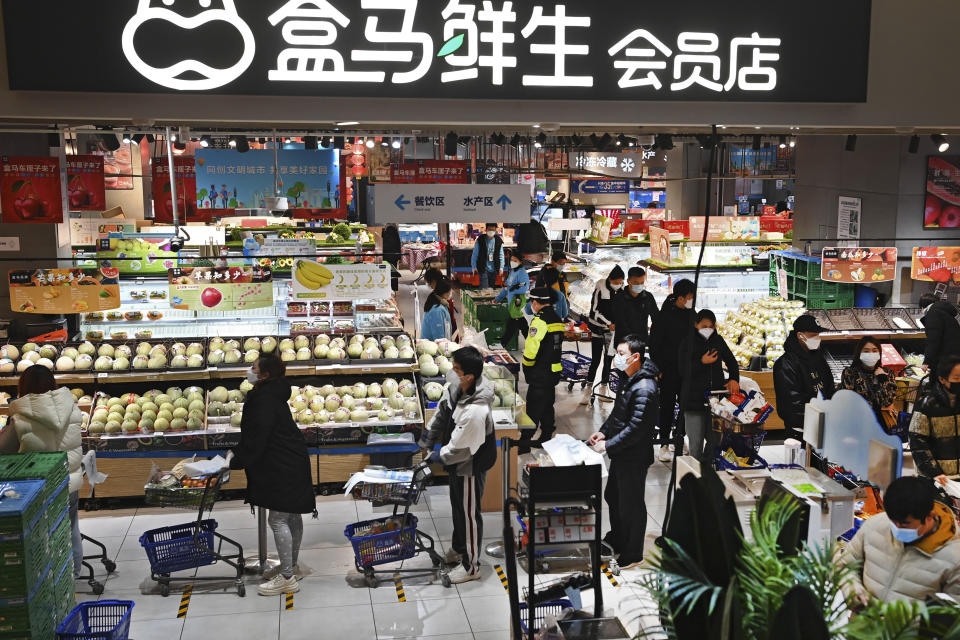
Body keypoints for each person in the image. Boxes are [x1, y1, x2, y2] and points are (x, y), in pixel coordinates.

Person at [229, 355, 316, 596]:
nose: (250, 370)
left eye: (254, 368)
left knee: (278, 519)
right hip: (292, 460)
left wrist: (236, 460)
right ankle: (292, 567)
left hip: (281, 464)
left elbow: (258, 437)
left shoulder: (263, 398)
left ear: (265, 375)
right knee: (291, 515)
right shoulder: (275, 393)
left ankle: (287, 577)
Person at [419, 346, 496, 584]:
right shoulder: (459, 386)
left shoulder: (476, 409)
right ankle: (458, 548)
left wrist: (438, 457)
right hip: (458, 460)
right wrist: (427, 439)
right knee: (458, 508)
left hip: (469, 464)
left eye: (456, 369)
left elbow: (461, 449)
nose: (452, 372)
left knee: (470, 514)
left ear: (469, 376)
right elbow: (443, 410)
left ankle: (472, 566)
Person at [0, 366, 83, 578]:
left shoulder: (19, 416)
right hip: (69, 479)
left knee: (41, 533)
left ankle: (49, 578)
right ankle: (73, 573)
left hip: (38, 484)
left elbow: (4, 449)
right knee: (71, 525)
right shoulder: (71, 406)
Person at [588, 334, 660, 568]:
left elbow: (636, 428)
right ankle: (618, 539)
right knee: (614, 497)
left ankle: (633, 553)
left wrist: (608, 445)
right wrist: (603, 432)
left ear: (635, 357)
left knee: (632, 504)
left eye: (621, 354)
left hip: (634, 456)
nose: (617, 359)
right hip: (622, 453)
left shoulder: (645, 388)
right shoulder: (629, 378)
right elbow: (619, 414)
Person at [838, 476, 960, 604]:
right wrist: (852, 589)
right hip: (863, 621)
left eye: (904, 523)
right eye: (892, 521)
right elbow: (845, 565)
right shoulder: (875, 525)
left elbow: (952, 615)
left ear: (929, 517)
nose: (896, 528)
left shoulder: (954, 558)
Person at [679, 309, 740, 464]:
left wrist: (734, 379)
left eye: (711, 326)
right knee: (696, 443)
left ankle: (707, 470)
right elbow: (682, 370)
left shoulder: (718, 341)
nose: (708, 329)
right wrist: (701, 362)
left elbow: (732, 362)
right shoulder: (687, 342)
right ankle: (695, 477)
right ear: (695, 325)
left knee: (715, 440)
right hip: (693, 401)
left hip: (715, 401)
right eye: (703, 325)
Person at [649, 279, 697, 463]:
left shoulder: (692, 315)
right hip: (668, 370)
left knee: (685, 406)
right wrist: (658, 368)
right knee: (667, 406)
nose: (693, 300)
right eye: (691, 297)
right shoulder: (664, 316)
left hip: (687, 370)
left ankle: (679, 438)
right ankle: (664, 444)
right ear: (681, 298)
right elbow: (655, 344)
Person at [773, 314, 836, 442]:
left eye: (818, 334)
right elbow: (791, 403)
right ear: (800, 335)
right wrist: (819, 416)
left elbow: (829, 387)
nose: (817, 338)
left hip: (823, 426)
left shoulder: (819, 359)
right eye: (813, 335)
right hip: (799, 432)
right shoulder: (785, 364)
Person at [519, 287, 565, 453]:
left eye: (532, 302)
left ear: (536, 302)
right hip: (554, 370)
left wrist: (527, 368)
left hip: (540, 372)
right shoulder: (557, 319)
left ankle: (524, 443)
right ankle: (546, 436)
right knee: (547, 404)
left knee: (533, 407)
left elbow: (531, 350)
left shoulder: (540, 321)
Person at [909, 355, 960, 484]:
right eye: (957, 378)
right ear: (942, 379)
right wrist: (933, 472)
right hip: (938, 479)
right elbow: (917, 441)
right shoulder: (927, 405)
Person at [581, 265, 625, 404]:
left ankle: (603, 390)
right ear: (610, 279)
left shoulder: (622, 291)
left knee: (608, 360)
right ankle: (587, 392)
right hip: (598, 328)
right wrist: (608, 323)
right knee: (595, 360)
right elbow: (594, 310)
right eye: (616, 282)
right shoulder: (600, 287)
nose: (618, 285)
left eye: (620, 282)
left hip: (612, 332)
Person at [839, 336, 898, 425]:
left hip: (881, 424)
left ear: (879, 353)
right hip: (857, 423)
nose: (871, 354)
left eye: (874, 351)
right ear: (859, 353)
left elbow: (886, 403)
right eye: (866, 351)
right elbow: (850, 402)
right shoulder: (850, 373)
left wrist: (882, 380)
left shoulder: (887, 374)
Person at [611, 266, 659, 350]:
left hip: (641, 342)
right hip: (624, 344)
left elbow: (656, 317)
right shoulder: (619, 298)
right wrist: (634, 341)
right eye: (636, 283)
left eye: (642, 282)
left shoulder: (648, 297)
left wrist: (654, 337)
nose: (639, 285)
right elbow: (620, 323)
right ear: (628, 281)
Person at [496, 253, 530, 350]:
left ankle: (503, 344)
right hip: (512, 302)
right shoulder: (512, 272)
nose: (512, 262)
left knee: (513, 323)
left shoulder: (522, 273)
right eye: (512, 260)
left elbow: (524, 288)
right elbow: (506, 287)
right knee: (522, 325)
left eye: (515, 261)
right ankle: (532, 345)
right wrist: (498, 298)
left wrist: (511, 288)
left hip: (518, 302)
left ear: (521, 262)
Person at [920, 294, 960, 374]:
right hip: (954, 355)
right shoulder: (944, 312)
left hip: (945, 357)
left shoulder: (933, 313)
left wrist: (926, 361)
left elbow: (933, 340)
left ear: (922, 307)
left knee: (940, 381)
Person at [425, 268, 458, 338]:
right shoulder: (438, 309)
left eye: (430, 283)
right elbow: (439, 334)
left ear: (434, 281)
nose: (430, 286)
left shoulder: (443, 299)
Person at [471, 222, 505, 289]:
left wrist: (501, 267)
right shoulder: (480, 240)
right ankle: (484, 299)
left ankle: (489, 299)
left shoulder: (498, 241)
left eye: (493, 230)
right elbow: (475, 254)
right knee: (485, 288)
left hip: (494, 268)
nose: (491, 231)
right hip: (483, 268)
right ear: (486, 230)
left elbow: (501, 255)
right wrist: (474, 266)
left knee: (491, 289)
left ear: (495, 231)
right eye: (489, 229)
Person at [381, 224, 401, 292]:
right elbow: (398, 244)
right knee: (393, 272)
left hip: (387, 255)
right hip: (393, 255)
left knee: (389, 272)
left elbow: (384, 244)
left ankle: (390, 288)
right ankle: (394, 288)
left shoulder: (388, 231)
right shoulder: (394, 232)